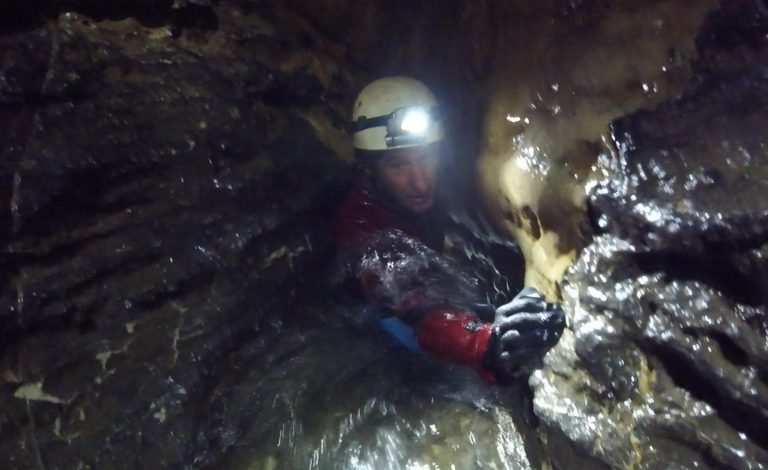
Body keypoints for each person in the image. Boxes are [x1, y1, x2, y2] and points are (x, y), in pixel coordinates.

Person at [334, 76, 564, 383]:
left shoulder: (423, 191)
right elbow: (416, 308)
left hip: (428, 291)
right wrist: (485, 342)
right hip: (380, 317)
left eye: (426, 157)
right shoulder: (362, 230)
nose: (421, 181)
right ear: (370, 169)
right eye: (398, 165)